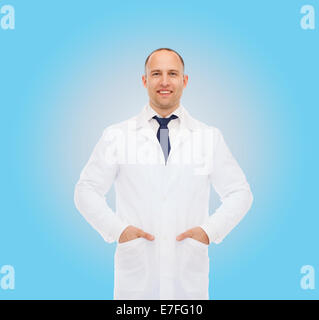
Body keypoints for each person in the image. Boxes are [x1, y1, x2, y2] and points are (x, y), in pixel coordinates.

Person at [74, 48, 253, 300]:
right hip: (136, 282)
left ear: (185, 80)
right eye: (156, 73)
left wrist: (209, 231)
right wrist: (118, 229)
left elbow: (240, 193)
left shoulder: (208, 137)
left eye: (173, 73)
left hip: (188, 281)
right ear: (145, 80)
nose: (165, 81)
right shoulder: (117, 135)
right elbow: (86, 190)